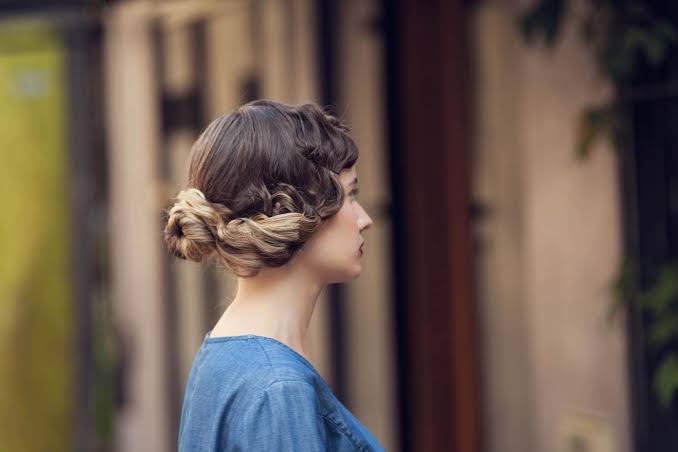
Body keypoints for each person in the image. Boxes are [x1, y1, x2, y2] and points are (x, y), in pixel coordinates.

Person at [164, 99, 384, 451]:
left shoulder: (224, 356)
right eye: (350, 195)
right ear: (297, 211)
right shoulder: (278, 390)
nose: (364, 219)